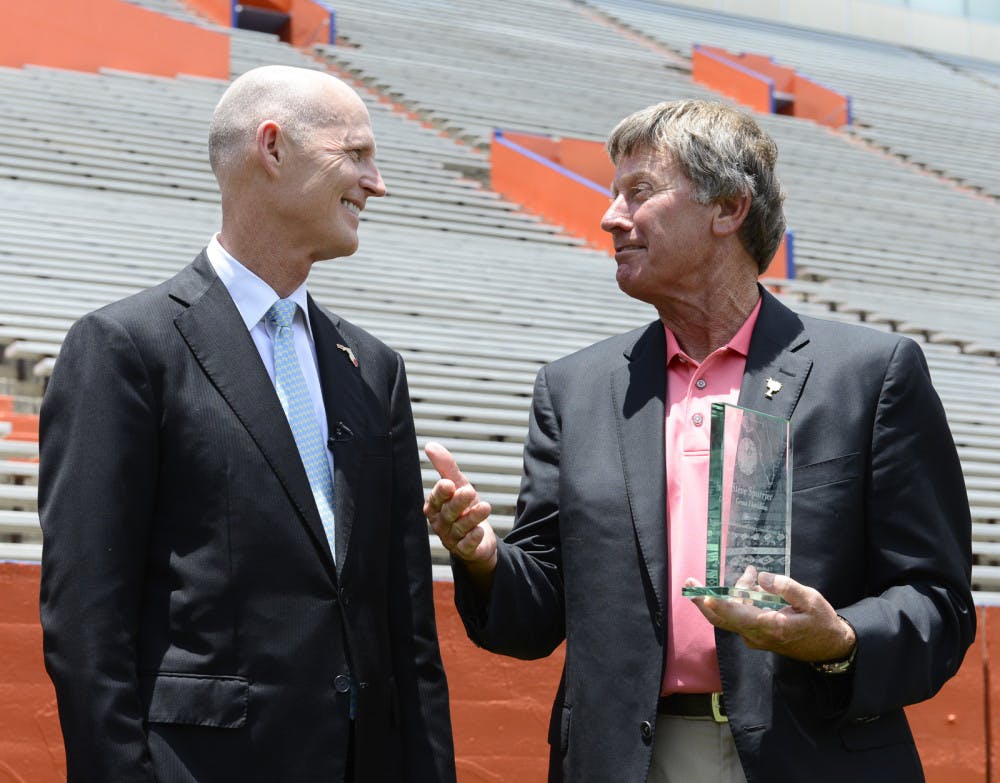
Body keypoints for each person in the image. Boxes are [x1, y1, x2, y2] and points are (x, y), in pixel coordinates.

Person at [424, 99, 974, 782]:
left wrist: (840, 639)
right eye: (611, 192)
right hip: (626, 762)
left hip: (810, 754)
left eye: (640, 191)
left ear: (728, 208)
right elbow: (533, 617)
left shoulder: (869, 374)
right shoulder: (575, 390)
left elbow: (938, 602)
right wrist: (482, 559)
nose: (610, 216)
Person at [39, 65, 455, 783]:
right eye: (355, 154)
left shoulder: (374, 369)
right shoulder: (126, 348)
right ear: (273, 147)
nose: (376, 181)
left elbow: (406, 630)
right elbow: (86, 624)